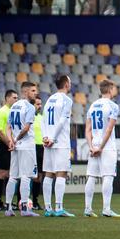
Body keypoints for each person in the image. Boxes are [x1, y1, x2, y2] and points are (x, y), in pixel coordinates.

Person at [84, 79, 120, 218]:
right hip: (107, 146)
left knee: (92, 177)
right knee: (108, 176)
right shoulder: (113, 106)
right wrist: (100, 147)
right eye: (115, 88)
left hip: (94, 145)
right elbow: (109, 129)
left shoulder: (92, 105)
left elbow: (87, 130)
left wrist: (92, 146)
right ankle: (106, 208)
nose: (116, 90)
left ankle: (88, 208)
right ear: (110, 89)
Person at [4, 81, 39, 217]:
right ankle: (25, 208)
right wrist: (16, 139)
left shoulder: (13, 107)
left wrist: (11, 141)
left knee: (13, 176)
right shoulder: (29, 107)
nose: (35, 93)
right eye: (33, 91)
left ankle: (8, 208)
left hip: (16, 146)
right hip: (26, 146)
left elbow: (8, 127)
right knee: (26, 176)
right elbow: (26, 128)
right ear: (25, 92)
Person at [41, 75, 74, 217]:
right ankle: (59, 208)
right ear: (66, 84)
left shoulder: (49, 99)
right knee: (61, 173)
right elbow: (61, 121)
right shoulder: (66, 100)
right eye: (70, 82)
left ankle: (48, 208)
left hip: (48, 141)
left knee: (48, 173)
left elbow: (42, 120)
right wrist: (53, 138)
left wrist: (45, 137)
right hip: (59, 141)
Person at [0, 89, 18, 211]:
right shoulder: (2, 111)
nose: (16, 100)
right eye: (14, 97)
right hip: (4, 144)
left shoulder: (13, 111)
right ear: (7, 98)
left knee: (10, 174)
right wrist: (9, 142)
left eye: (17, 98)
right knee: (2, 173)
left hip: (11, 144)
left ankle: (9, 202)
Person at [31, 96, 44, 210]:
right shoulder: (28, 116)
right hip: (31, 147)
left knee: (39, 176)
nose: (39, 106)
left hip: (41, 147)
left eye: (40, 104)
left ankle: (35, 201)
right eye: (37, 104)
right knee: (27, 175)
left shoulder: (41, 118)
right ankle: (22, 201)